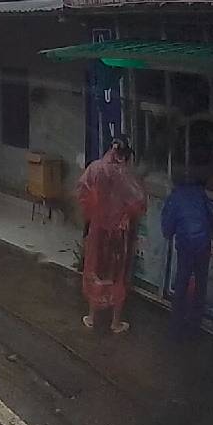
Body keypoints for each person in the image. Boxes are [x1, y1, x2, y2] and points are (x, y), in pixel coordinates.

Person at [75, 135, 146, 333]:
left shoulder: (95, 168)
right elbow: (140, 203)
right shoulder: (127, 176)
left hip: (98, 231)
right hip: (119, 234)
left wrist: (94, 213)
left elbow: (82, 192)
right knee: (118, 276)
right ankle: (115, 322)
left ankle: (91, 316)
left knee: (96, 271)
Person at [162, 165, 213, 341]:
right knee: (201, 283)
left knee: (182, 282)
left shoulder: (174, 197)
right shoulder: (199, 193)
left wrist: (170, 233)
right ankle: (195, 325)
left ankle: (176, 327)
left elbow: (167, 228)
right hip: (203, 244)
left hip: (186, 244)